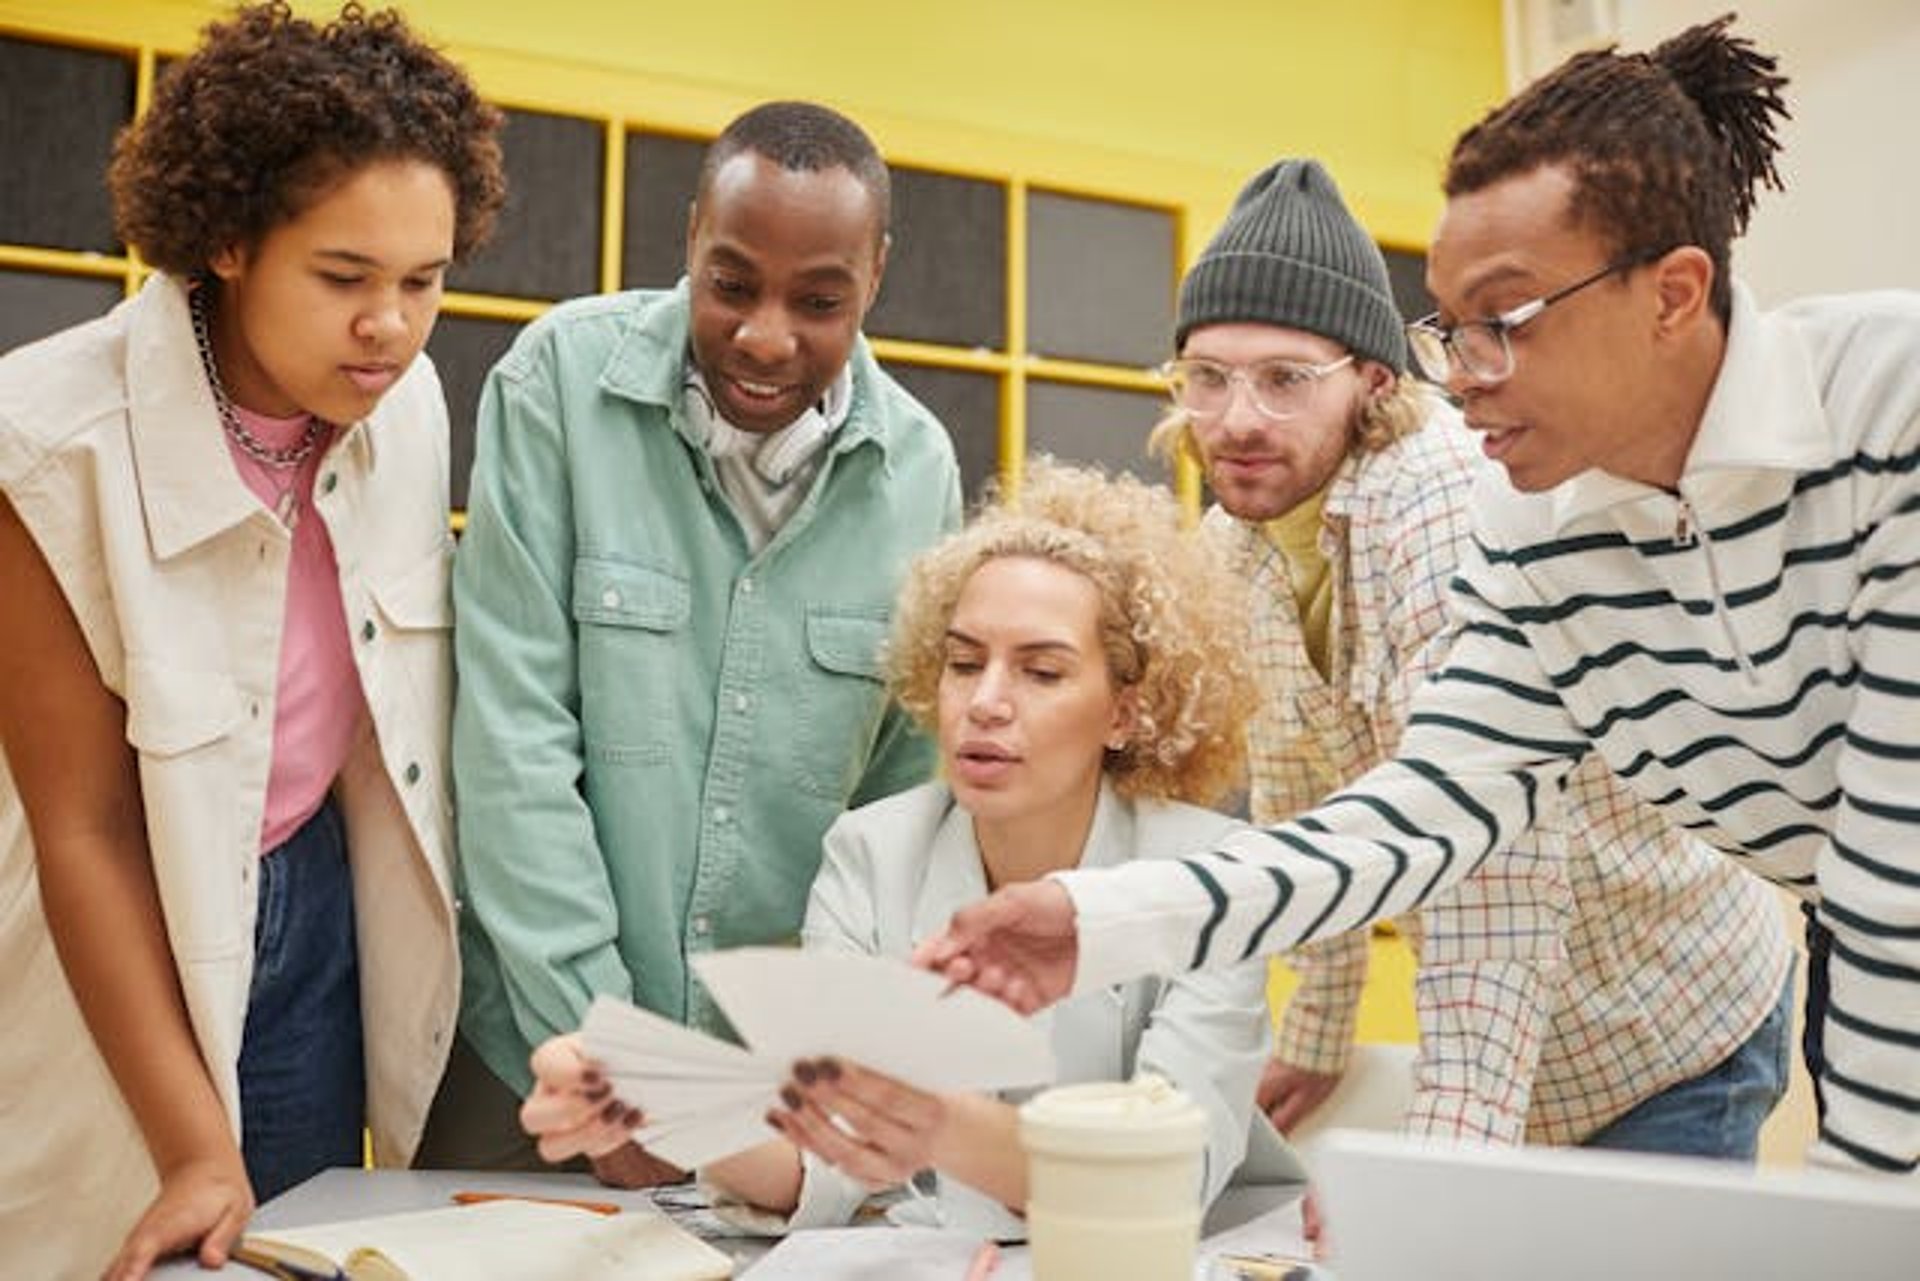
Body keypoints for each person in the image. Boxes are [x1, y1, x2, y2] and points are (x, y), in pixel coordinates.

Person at [921, 17, 1920, 1177]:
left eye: (1506, 323)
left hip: (1715, 997)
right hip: (1848, 956)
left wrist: (1857, 1193)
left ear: (1673, 294)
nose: (1466, 379)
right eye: (1451, 327)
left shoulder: (1891, 408)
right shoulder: (1535, 523)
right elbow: (1424, 813)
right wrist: (1098, 920)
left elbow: (1891, 860)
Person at [0, 5, 505, 1276]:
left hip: (312, 892)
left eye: (423, 281)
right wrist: (191, 1147)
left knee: (295, 1248)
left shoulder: (413, 402)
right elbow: (85, 828)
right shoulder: (43, 441)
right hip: (109, 916)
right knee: (123, 1236)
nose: (389, 326)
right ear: (225, 238)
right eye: (344, 278)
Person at [1152, 157, 1791, 1155]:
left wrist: (1449, 1166)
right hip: (1526, 1036)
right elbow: (1302, 797)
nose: (1236, 420)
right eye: (1208, 377)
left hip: (1667, 1023)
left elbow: (1489, 871)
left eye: (1284, 380)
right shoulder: (1241, 541)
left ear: (1371, 380)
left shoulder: (1446, 508)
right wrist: (1320, 1028)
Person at [520, 460, 1300, 1234]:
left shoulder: (1214, 881)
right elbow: (824, 1158)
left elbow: (1158, 1186)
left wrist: (930, 1122)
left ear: (1127, 711)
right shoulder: (871, 852)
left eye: (1041, 671)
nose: (985, 702)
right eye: (964, 663)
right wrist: (660, 1099)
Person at [428, 100, 963, 1181]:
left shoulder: (922, 475)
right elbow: (513, 747)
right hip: (531, 1050)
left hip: (770, 1096)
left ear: (877, 276)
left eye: (820, 301)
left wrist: (755, 1095)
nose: (767, 337)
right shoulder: (556, 387)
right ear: (689, 245)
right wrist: (613, 1066)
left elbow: (899, 817)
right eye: (732, 286)